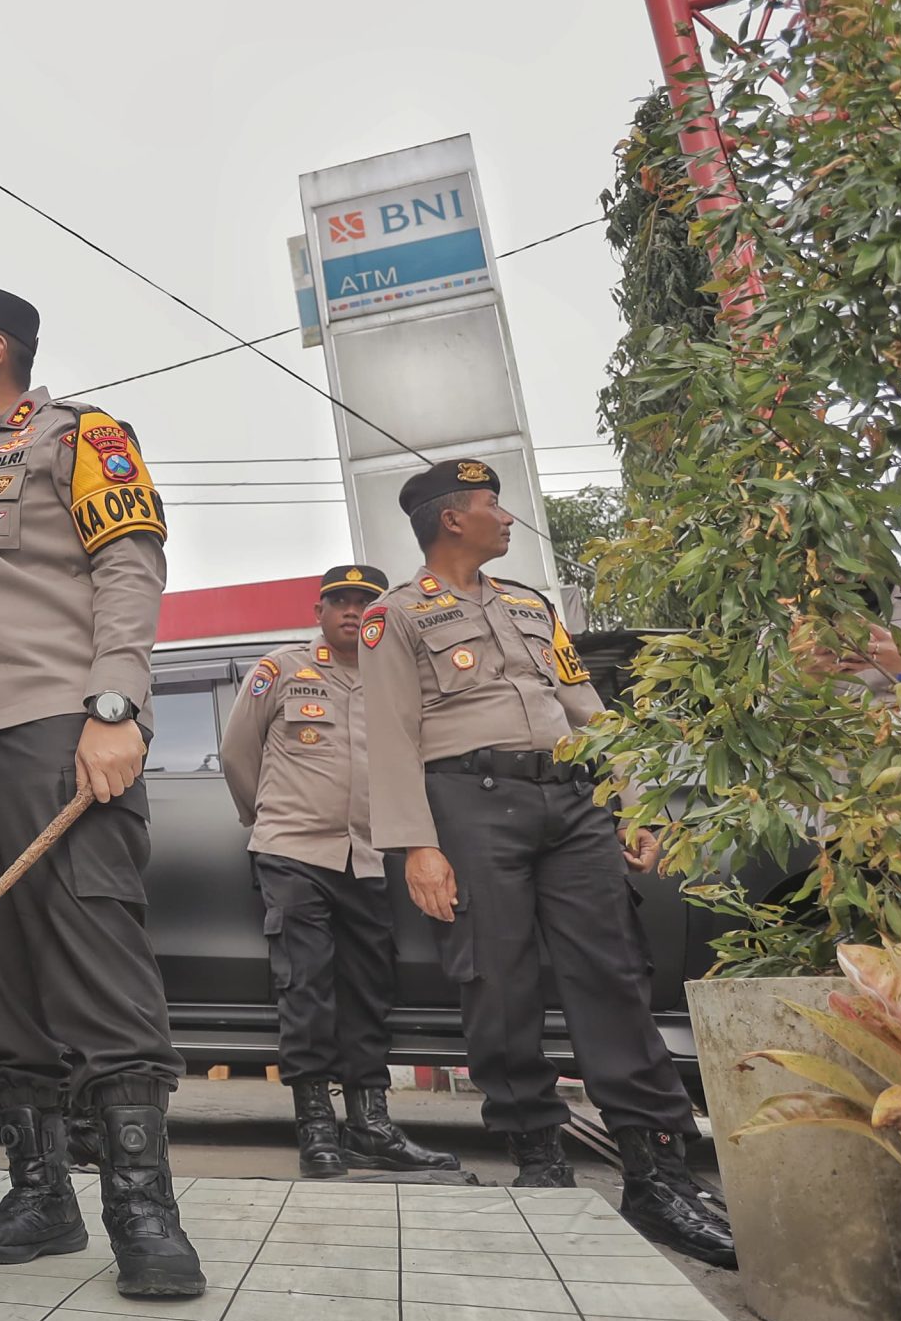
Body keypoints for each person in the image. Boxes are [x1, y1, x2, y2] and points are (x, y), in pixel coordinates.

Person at [0, 284, 204, 1298]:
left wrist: (115, 709)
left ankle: (144, 1211)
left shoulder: (79, 436)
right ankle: (40, 1194)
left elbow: (131, 568)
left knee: (99, 969)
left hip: (58, 737)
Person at [360, 458, 734, 1266]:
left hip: (571, 801)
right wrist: (416, 845)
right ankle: (537, 1152)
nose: (508, 517)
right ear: (451, 519)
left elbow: (587, 710)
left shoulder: (532, 607)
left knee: (614, 970)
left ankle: (656, 1170)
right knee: (497, 977)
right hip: (468, 803)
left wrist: (630, 799)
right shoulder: (395, 618)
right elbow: (389, 737)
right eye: (492, 505)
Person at [220, 564, 458, 1178]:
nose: (353, 611)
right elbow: (236, 752)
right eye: (340, 601)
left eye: (365, 602)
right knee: (306, 985)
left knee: (368, 989)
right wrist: (265, 816)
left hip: (372, 856)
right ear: (320, 609)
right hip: (294, 853)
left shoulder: (397, 678)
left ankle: (371, 1125)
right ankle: (317, 1127)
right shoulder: (282, 669)